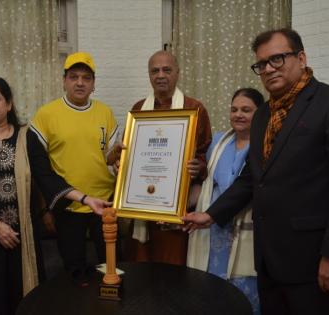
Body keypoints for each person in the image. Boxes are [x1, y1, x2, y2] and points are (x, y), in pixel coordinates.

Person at [183, 28, 329, 315]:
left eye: (277, 59)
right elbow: (254, 177)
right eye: (261, 64)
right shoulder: (264, 115)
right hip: (268, 259)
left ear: (302, 57)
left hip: (314, 261)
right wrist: (211, 214)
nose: (268, 69)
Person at [0, 76, 110, 314]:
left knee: (21, 300)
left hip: (19, 238)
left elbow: (47, 177)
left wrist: (85, 199)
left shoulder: (26, 138)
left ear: (9, 103)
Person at [28, 52, 119, 285]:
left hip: (105, 203)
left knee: (110, 267)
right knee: (74, 270)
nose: (80, 82)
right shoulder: (45, 115)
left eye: (86, 78)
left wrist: (119, 160)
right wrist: (44, 209)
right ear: (64, 80)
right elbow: (38, 170)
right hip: (67, 206)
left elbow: (110, 159)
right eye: (74, 76)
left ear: (94, 84)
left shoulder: (105, 113)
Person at [125, 50, 212, 266]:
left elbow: (205, 153)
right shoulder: (138, 110)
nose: (161, 75)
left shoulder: (194, 108)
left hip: (178, 206)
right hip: (142, 205)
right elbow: (132, 153)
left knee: (173, 269)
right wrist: (124, 165)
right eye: (155, 70)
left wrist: (198, 167)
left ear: (177, 73)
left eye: (167, 70)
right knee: (143, 267)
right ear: (149, 75)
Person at [187, 88, 264, 314]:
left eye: (246, 110)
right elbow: (208, 186)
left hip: (247, 231)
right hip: (214, 230)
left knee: (244, 296)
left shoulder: (266, 145)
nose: (238, 114)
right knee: (212, 292)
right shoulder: (219, 142)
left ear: (260, 114)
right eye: (234, 109)